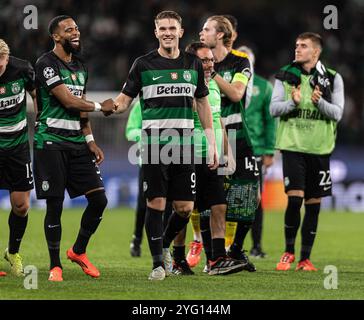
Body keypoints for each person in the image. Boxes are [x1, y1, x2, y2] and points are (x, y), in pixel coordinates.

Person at [114, 11, 218, 281]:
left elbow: (202, 103)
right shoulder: (143, 64)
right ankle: (158, 264)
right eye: (163, 28)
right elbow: (124, 99)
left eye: (172, 27)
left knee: (185, 207)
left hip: (184, 143)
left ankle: (162, 244)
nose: (168, 32)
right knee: (156, 203)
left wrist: (211, 142)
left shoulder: (193, 64)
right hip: (153, 145)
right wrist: (105, 107)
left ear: (181, 32)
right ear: (156, 32)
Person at [33, 15, 115, 282]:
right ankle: (55, 265)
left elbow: (79, 108)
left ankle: (78, 251)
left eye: (77, 28)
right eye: (69, 30)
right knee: (55, 206)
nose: (76, 33)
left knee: (100, 200)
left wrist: (90, 140)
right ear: (56, 37)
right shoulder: (46, 64)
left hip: (77, 144)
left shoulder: (80, 66)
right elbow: (69, 101)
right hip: (50, 143)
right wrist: (100, 107)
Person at [271, 32, 344, 271]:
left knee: (313, 204)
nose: (298, 49)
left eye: (303, 46)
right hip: (292, 146)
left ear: (316, 52)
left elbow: (338, 113)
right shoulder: (285, 75)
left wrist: (319, 103)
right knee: (294, 198)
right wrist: (292, 103)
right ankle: (288, 252)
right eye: (296, 45)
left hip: (320, 148)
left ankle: (305, 259)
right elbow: (274, 109)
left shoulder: (333, 78)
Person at [173, 42, 244, 276]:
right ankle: (177, 259)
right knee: (184, 209)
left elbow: (218, 120)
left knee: (219, 205)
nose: (210, 64)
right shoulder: (184, 86)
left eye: (211, 59)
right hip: (187, 154)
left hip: (210, 155)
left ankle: (215, 259)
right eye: (204, 60)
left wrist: (226, 152)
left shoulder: (213, 86)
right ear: (192, 61)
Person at [200, 15, 258, 272]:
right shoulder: (197, 59)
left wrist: (210, 74)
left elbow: (236, 93)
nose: (202, 33)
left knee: (249, 198)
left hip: (238, 136)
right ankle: (211, 256)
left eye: (207, 29)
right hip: (210, 137)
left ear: (220, 35)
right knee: (208, 200)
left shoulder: (239, 61)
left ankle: (235, 250)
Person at [0, 39, 37, 277]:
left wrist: (42, 122)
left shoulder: (22, 69)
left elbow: (38, 96)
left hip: (18, 148)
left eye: (0, 61)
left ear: (6, 57)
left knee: (21, 206)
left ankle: (12, 252)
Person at [237, 45, 276, 258]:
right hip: (230, 146)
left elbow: (270, 122)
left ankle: (256, 245)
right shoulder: (228, 84)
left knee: (255, 198)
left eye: (248, 59)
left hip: (256, 149)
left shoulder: (263, 86)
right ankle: (227, 246)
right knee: (227, 198)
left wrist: (269, 151)